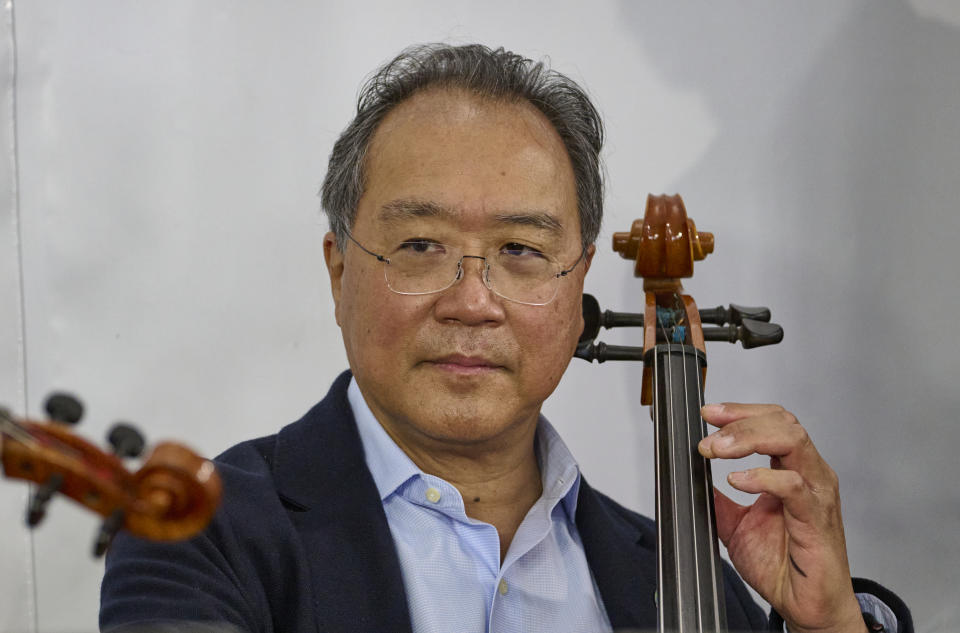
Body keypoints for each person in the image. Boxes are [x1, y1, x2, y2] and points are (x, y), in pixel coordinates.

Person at [100, 44, 912, 633]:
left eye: (522, 252)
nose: (473, 301)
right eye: (421, 245)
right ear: (337, 270)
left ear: (578, 286)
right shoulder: (197, 533)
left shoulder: (673, 577)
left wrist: (828, 624)